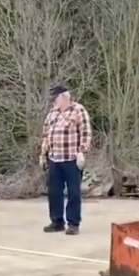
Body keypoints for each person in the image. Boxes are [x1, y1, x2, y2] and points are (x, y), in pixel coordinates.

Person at [39, 82, 91, 235]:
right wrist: (43, 154)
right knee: (54, 191)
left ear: (63, 97)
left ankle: (73, 223)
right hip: (55, 159)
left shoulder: (78, 110)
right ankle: (57, 221)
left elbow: (86, 133)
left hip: (71, 159)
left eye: (55, 99)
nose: (53, 102)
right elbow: (46, 136)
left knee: (74, 192)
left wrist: (82, 151)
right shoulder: (52, 114)